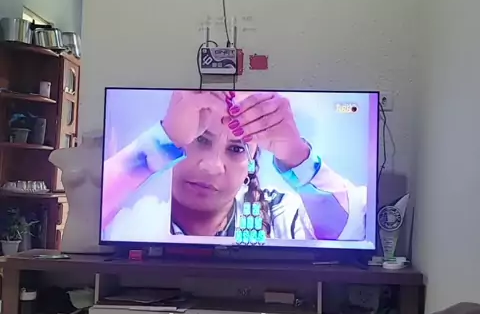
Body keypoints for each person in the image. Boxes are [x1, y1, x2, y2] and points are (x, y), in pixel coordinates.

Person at [101, 90, 367, 242]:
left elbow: (353, 232)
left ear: (251, 164)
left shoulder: (280, 215)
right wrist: (159, 142)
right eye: (200, 140)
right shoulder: (132, 200)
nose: (212, 166)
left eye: (237, 149)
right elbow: (89, 217)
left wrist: (297, 156)